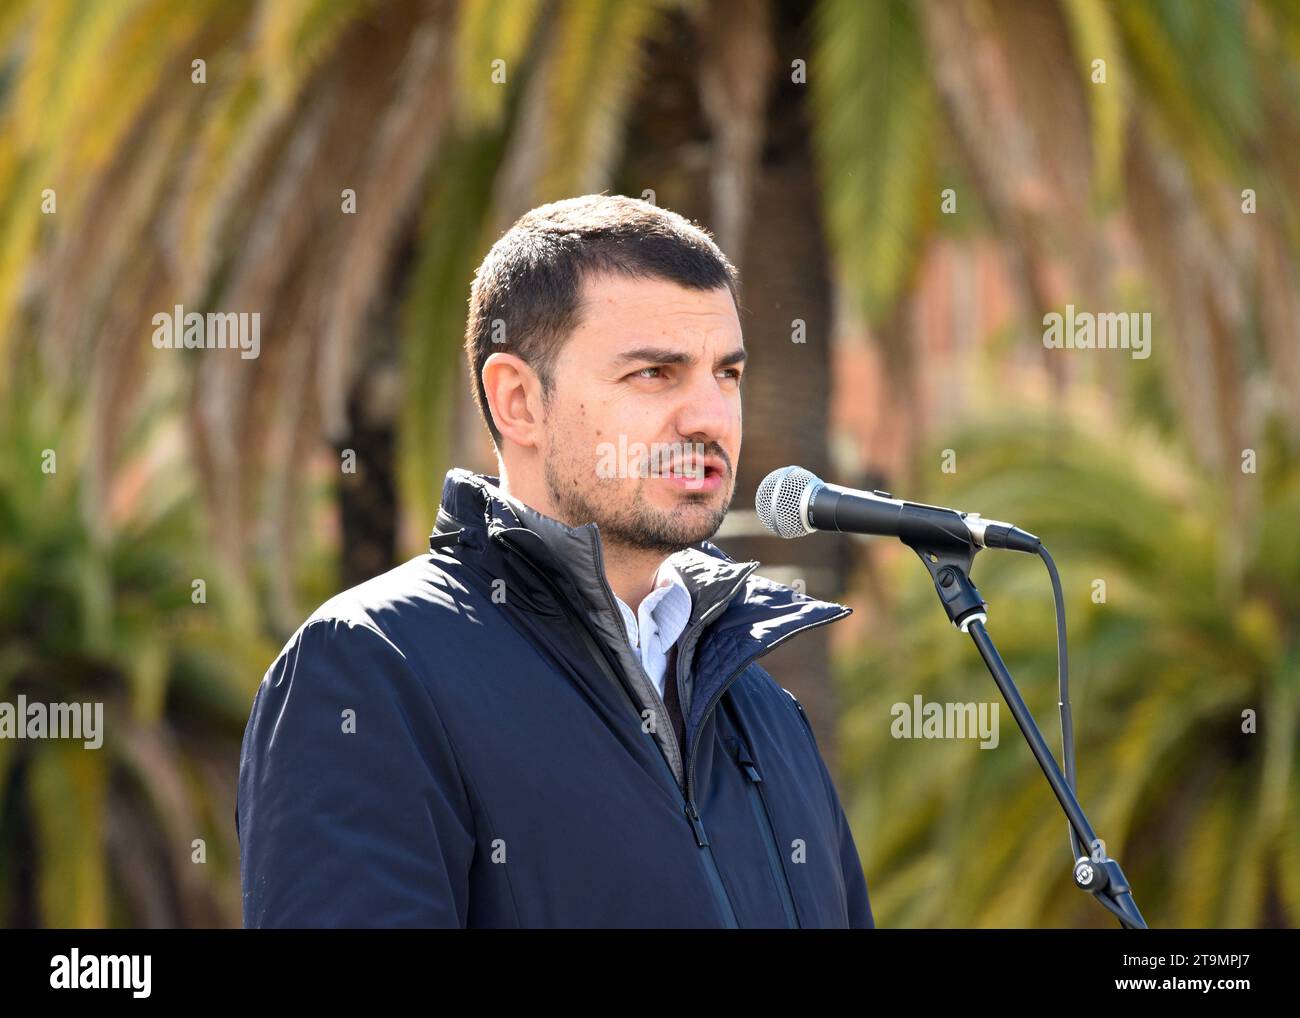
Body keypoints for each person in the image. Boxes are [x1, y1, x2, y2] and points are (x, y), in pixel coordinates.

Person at [236, 193, 873, 928]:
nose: (709, 416)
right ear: (518, 401)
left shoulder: (765, 714)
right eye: (655, 373)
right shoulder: (374, 666)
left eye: (726, 373)